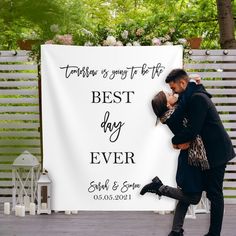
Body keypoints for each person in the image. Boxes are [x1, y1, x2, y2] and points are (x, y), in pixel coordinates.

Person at [165, 69, 235, 236]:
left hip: (217, 153)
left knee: (215, 194)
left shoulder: (197, 98)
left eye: (174, 88)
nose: (173, 92)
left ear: (182, 83)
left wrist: (173, 142)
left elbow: (192, 130)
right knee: (204, 192)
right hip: (207, 154)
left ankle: (214, 234)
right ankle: (179, 230)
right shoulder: (191, 95)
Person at [140, 78, 207, 236]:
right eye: (168, 94)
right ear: (167, 105)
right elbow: (190, 125)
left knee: (185, 196)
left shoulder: (172, 114)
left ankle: (176, 231)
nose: (172, 92)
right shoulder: (173, 116)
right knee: (194, 197)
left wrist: (196, 84)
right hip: (191, 159)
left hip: (188, 157)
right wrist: (192, 85)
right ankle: (159, 187)